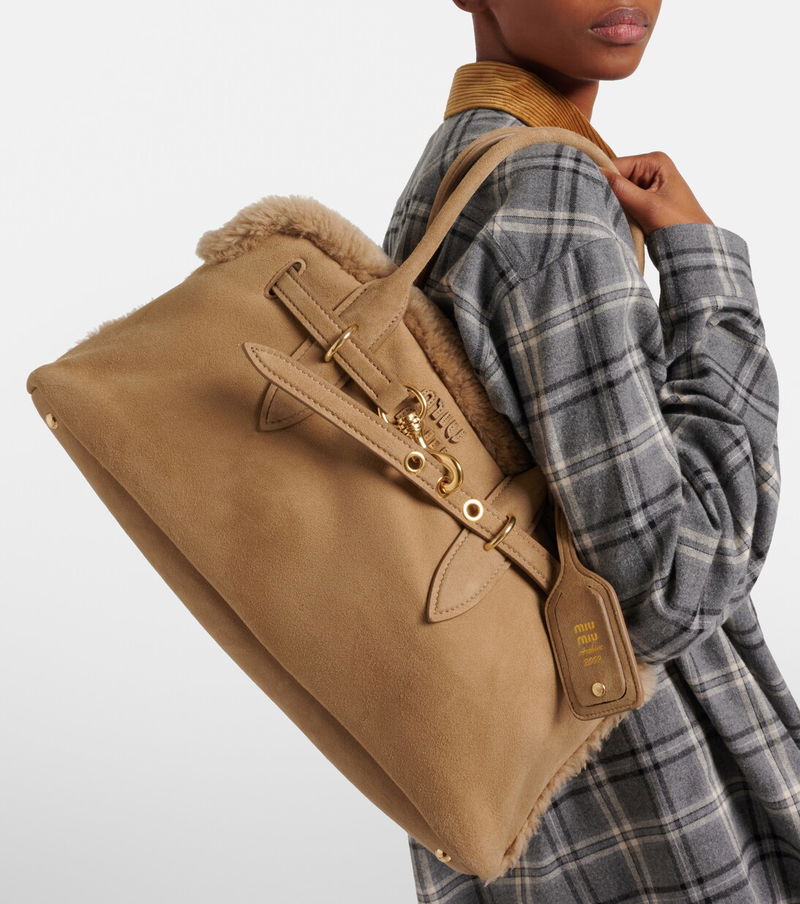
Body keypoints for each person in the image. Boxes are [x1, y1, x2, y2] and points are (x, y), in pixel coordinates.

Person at [381, 2, 800, 901]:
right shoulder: (547, 188)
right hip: (655, 796)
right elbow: (670, 584)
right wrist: (705, 270)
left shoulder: (456, 163)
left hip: (533, 794)